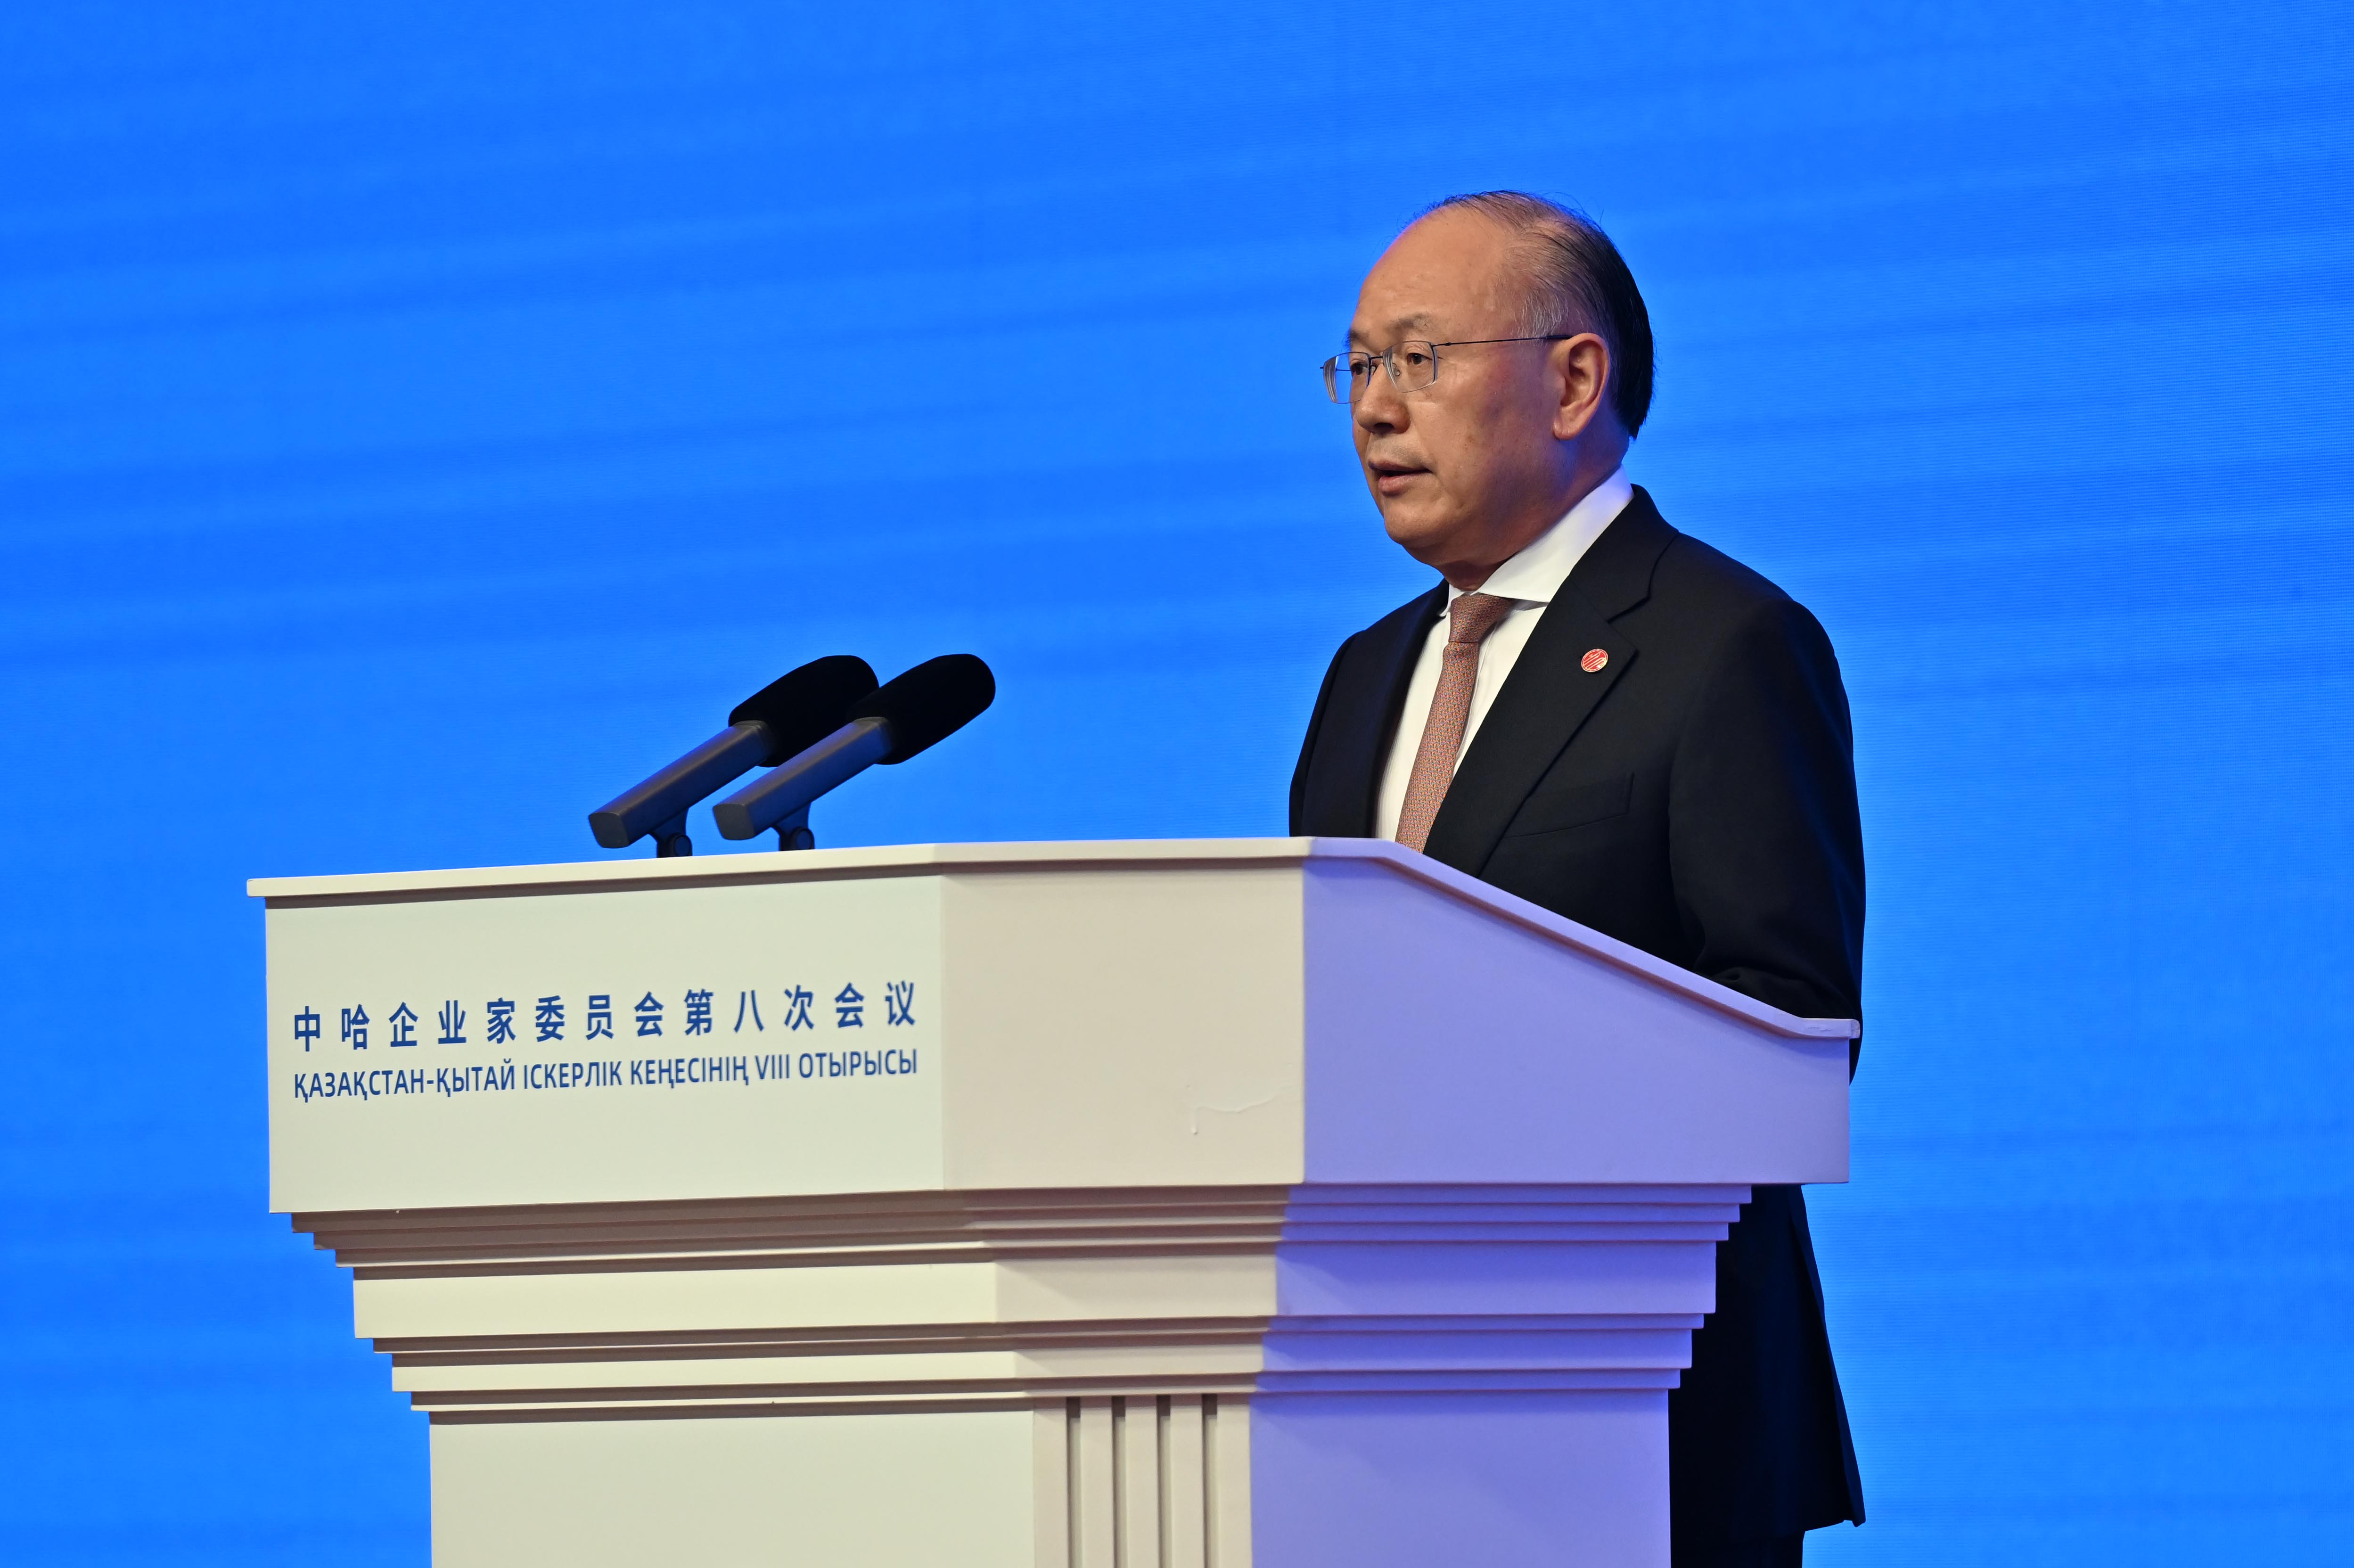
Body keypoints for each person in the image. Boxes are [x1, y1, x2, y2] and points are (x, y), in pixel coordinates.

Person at [1288, 191, 1867, 1567]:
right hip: (1378, 1406)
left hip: (1648, 1406)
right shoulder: (1365, 675)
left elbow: (1787, 1025)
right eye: (1356, 366)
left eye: (1419, 359)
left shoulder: (1724, 643)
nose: (1374, 409)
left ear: (1573, 381)